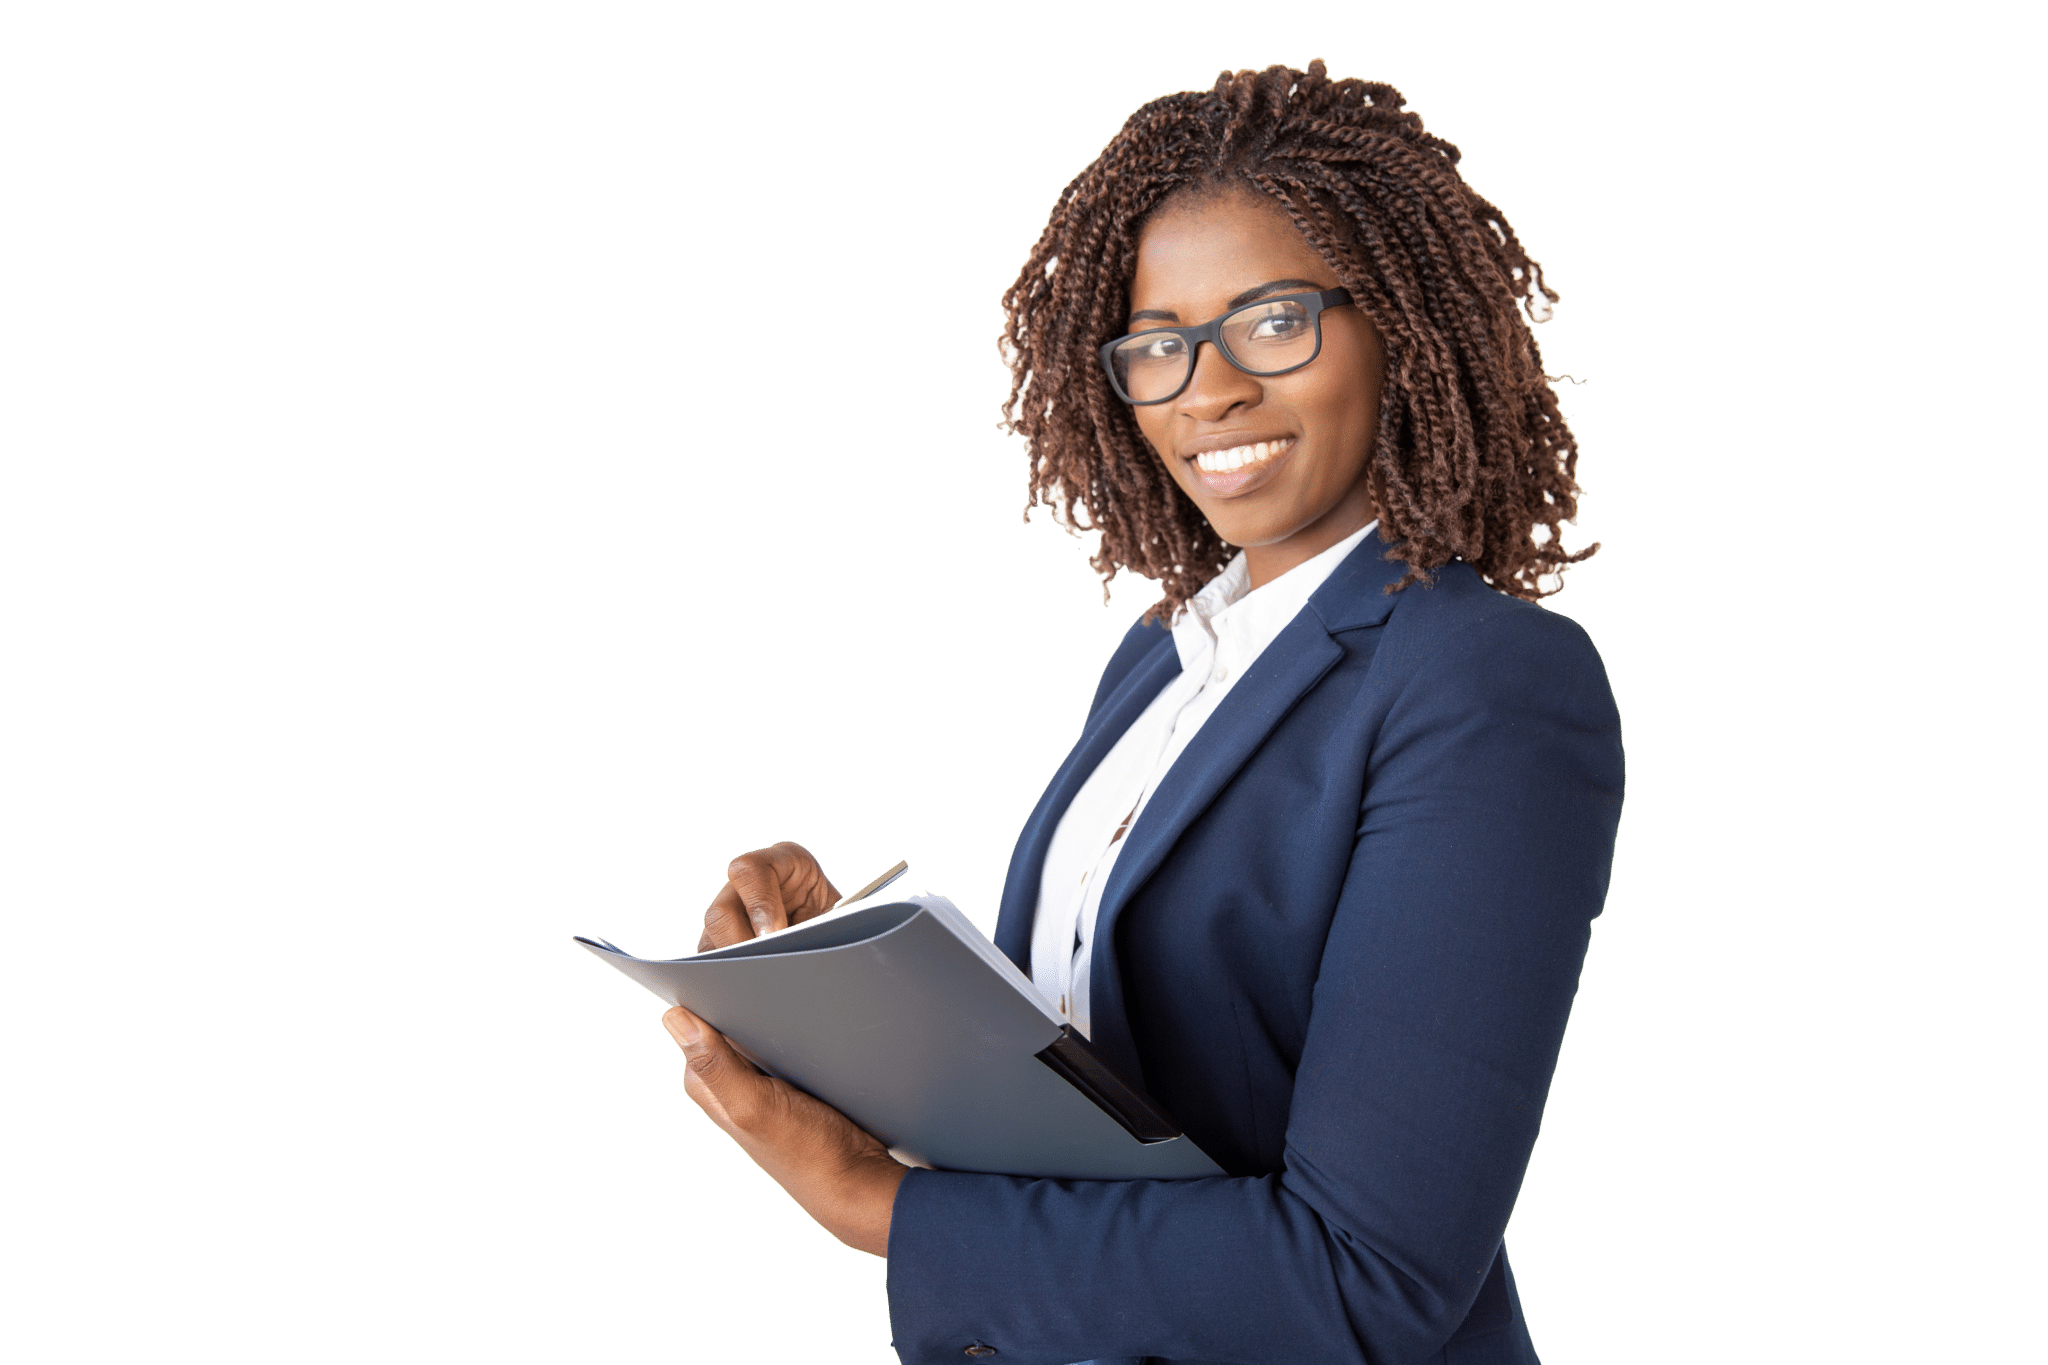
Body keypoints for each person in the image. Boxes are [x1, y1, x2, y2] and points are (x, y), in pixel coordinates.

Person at [662, 61, 1624, 1365]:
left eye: (1273, 321)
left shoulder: (1485, 683)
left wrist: (879, 1207)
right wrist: (846, 982)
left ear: (1398, 324)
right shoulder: (1164, 660)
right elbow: (1096, 1093)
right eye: (1159, 343)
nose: (1207, 389)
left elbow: (1371, 1277)